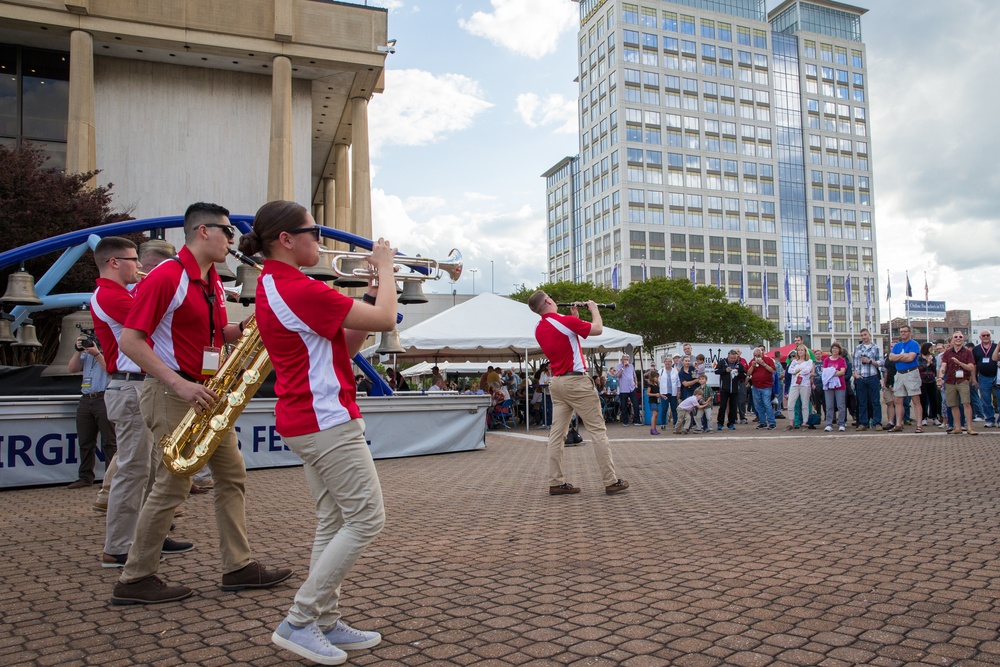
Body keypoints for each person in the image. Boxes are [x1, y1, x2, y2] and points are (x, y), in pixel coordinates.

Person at [112, 202, 292, 605]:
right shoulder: (167, 277)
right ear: (203, 231)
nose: (232, 240)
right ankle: (134, 578)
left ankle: (238, 566)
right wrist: (179, 384)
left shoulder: (209, 280)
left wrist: (246, 327)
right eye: (227, 232)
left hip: (207, 393)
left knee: (232, 476)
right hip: (175, 394)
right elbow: (130, 340)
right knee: (173, 484)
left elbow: (214, 333)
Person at [241, 201, 392, 663]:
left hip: (311, 417)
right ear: (285, 240)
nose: (319, 240)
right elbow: (387, 321)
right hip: (326, 420)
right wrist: (386, 270)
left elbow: (345, 344)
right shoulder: (296, 287)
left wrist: (368, 294)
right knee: (368, 518)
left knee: (334, 520)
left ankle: (324, 619)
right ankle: (300, 620)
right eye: (312, 231)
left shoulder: (277, 284)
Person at [90, 237, 192, 568]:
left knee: (148, 469)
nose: (140, 267)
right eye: (133, 260)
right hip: (129, 386)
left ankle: (150, 537)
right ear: (113, 263)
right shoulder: (109, 295)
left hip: (137, 387)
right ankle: (118, 546)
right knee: (133, 471)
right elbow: (154, 319)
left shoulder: (123, 293)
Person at [528, 291, 629, 496]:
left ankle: (556, 481)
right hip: (577, 381)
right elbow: (597, 329)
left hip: (557, 383)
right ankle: (611, 480)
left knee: (557, 434)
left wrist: (574, 317)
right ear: (548, 301)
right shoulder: (563, 321)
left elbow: (566, 339)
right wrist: (594, 310)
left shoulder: (539, 328)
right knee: (597, 430)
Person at [66, 329, 116, 489]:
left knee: (109, 441)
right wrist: (78, 351)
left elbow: (110, 369)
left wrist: (97, 354)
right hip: (86, 398)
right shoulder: (86, 355)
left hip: (104, 398)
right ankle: (85, 477)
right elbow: (72, 369)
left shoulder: (110, 352)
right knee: (85, 441)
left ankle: (111, 478)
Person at [939, 332, 978, 435]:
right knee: (953, 404)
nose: (958, 338)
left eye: (960, 337)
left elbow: (971, 367)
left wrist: (959, 363)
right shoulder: (947, 353)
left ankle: (969, 427)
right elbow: (943, 366)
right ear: (953, 339)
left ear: (963, 339)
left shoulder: (967, 352)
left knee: (966, 403)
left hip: (963, 380)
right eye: (955, 337)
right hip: (950, 380)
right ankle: (957, 427)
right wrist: (940, 377)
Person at [888, 325, 923, 432]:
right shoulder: (897, 345)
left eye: (905, 331)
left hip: (911, 373)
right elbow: (891, 357)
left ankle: (919, 425)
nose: (902, 333)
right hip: (899, 374)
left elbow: (910, 358)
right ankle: (898, 424)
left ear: (909, 332)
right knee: (898, 399)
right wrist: (903, 356)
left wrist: (898, 357)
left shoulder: (914, 344)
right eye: (901, 331)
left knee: (915, 399)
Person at [852, 328, 882, 431]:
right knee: (862, 402)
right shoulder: (857, 348)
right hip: (861, 378)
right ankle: (863, 423)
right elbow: (854, 363)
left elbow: (881, 362)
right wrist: (855, 373)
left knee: (875, 401)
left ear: (869, 335)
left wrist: (870, 361)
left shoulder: (876, 348)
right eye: (862, 335)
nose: (864, 337)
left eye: (865, 335)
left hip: (872, 377)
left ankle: (877, 422)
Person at [715, 350, 746, 430]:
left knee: (733, 407)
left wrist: (738, 373)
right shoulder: (722, 362)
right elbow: (716, 371)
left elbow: (744, 374)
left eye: (734, 358)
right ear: (728, 357)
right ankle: (720, 423)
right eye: (731, 358)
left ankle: (731, 423)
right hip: (724, 389)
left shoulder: (739, 364)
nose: (733, 360)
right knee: (723, 406)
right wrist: (725, 370)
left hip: (735, 389)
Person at [785, 344, 814, 430]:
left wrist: (798, 371)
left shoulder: (809, 361)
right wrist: (797, 370)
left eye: (802, 350)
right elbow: (790, 370)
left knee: (804, 404)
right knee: (790, 404)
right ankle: (791, 422)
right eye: (799, 350)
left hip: (804, 384)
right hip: (795, 384)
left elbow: (807, 370)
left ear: (805, 352)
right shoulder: (794, 361)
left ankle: (804, 422)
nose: (800, 352)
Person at [747, 347, 777, 430]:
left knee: (767, 404)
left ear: (762, 354)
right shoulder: (752, 361)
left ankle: (772, 422)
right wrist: (752, 366)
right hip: (756, 386)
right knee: (758, 405)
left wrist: (764, 364)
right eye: (755, 355)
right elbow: (748, 373)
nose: (757, 357)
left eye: (758, 355)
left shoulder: (768, 360)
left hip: (766, 386)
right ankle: (762, 422)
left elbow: (774, 371)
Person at [973, 330, 998, 428]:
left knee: (999, 399)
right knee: (986, 400)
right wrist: (974, 379)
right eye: (983, 335)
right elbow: (974, 365)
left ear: (990, 336)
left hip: (997, 377)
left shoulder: (996, 347)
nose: (986, 337)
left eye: (988, 335)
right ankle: (990, 420)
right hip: (983, 377)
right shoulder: (976, 349)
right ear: (980, 337)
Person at [821, 342, 848, 431]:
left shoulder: (841, 360)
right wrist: (834, 372)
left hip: (840, 385)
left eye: (836, 348)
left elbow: (842, 372)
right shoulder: (827, 360)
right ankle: (829, 423)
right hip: (828, 385)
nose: (834, 350)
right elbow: (824, 372)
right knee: (829, 405)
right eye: (833, 348)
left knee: (841, 405)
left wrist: (831, 372)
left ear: (839, 350)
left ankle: (841, 423)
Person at [610, 353, 642, 426]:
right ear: (622, 360)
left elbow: (634, 375)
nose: (626, 360)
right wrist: (623, 367)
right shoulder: (619, 366)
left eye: (627, 359)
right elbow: (617, 375)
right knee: (624, 405)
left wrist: (636, 383)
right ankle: (625, 421)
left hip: (631, 387)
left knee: (635, 404)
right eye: (625, 359)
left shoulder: (631, 366)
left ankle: (636, 420)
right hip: (623, 389)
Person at [918, 342, 942, 426]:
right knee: (923, 400)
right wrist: (927, 363)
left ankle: (934, 417)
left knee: (934, 399)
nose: (932, 349)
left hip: (932, 380)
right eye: (930, 348)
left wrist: (931, 363)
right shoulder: (919, 358)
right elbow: (919, 369)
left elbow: (935, 369)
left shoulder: (933, 357)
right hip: (922, 381)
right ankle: (923, 417)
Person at [657, 356, 679, 429]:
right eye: (666, 361)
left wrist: (678, 392)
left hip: (673, 393)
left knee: (674, 409)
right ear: (664, 363)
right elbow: (657, 382)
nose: (667, 363)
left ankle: (675, 423)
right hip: (664, 393)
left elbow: (678, 382)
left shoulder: (675, 371)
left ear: (671, 363)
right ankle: (663, 423)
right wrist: (659, 393)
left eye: (669, 361)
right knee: (664, 409)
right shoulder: (661, 371)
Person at [645, 368, 661, 435]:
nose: (657, 379)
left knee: (656, 415)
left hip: (656, 401)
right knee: (654, 414)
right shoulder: (650, 385)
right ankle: (652, 428)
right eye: (656, 377)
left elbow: (658, 393)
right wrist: (655, 395)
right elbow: (648, 393)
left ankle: (654, 428)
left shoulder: (657, 384)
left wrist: (661, 396)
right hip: (652, 401)